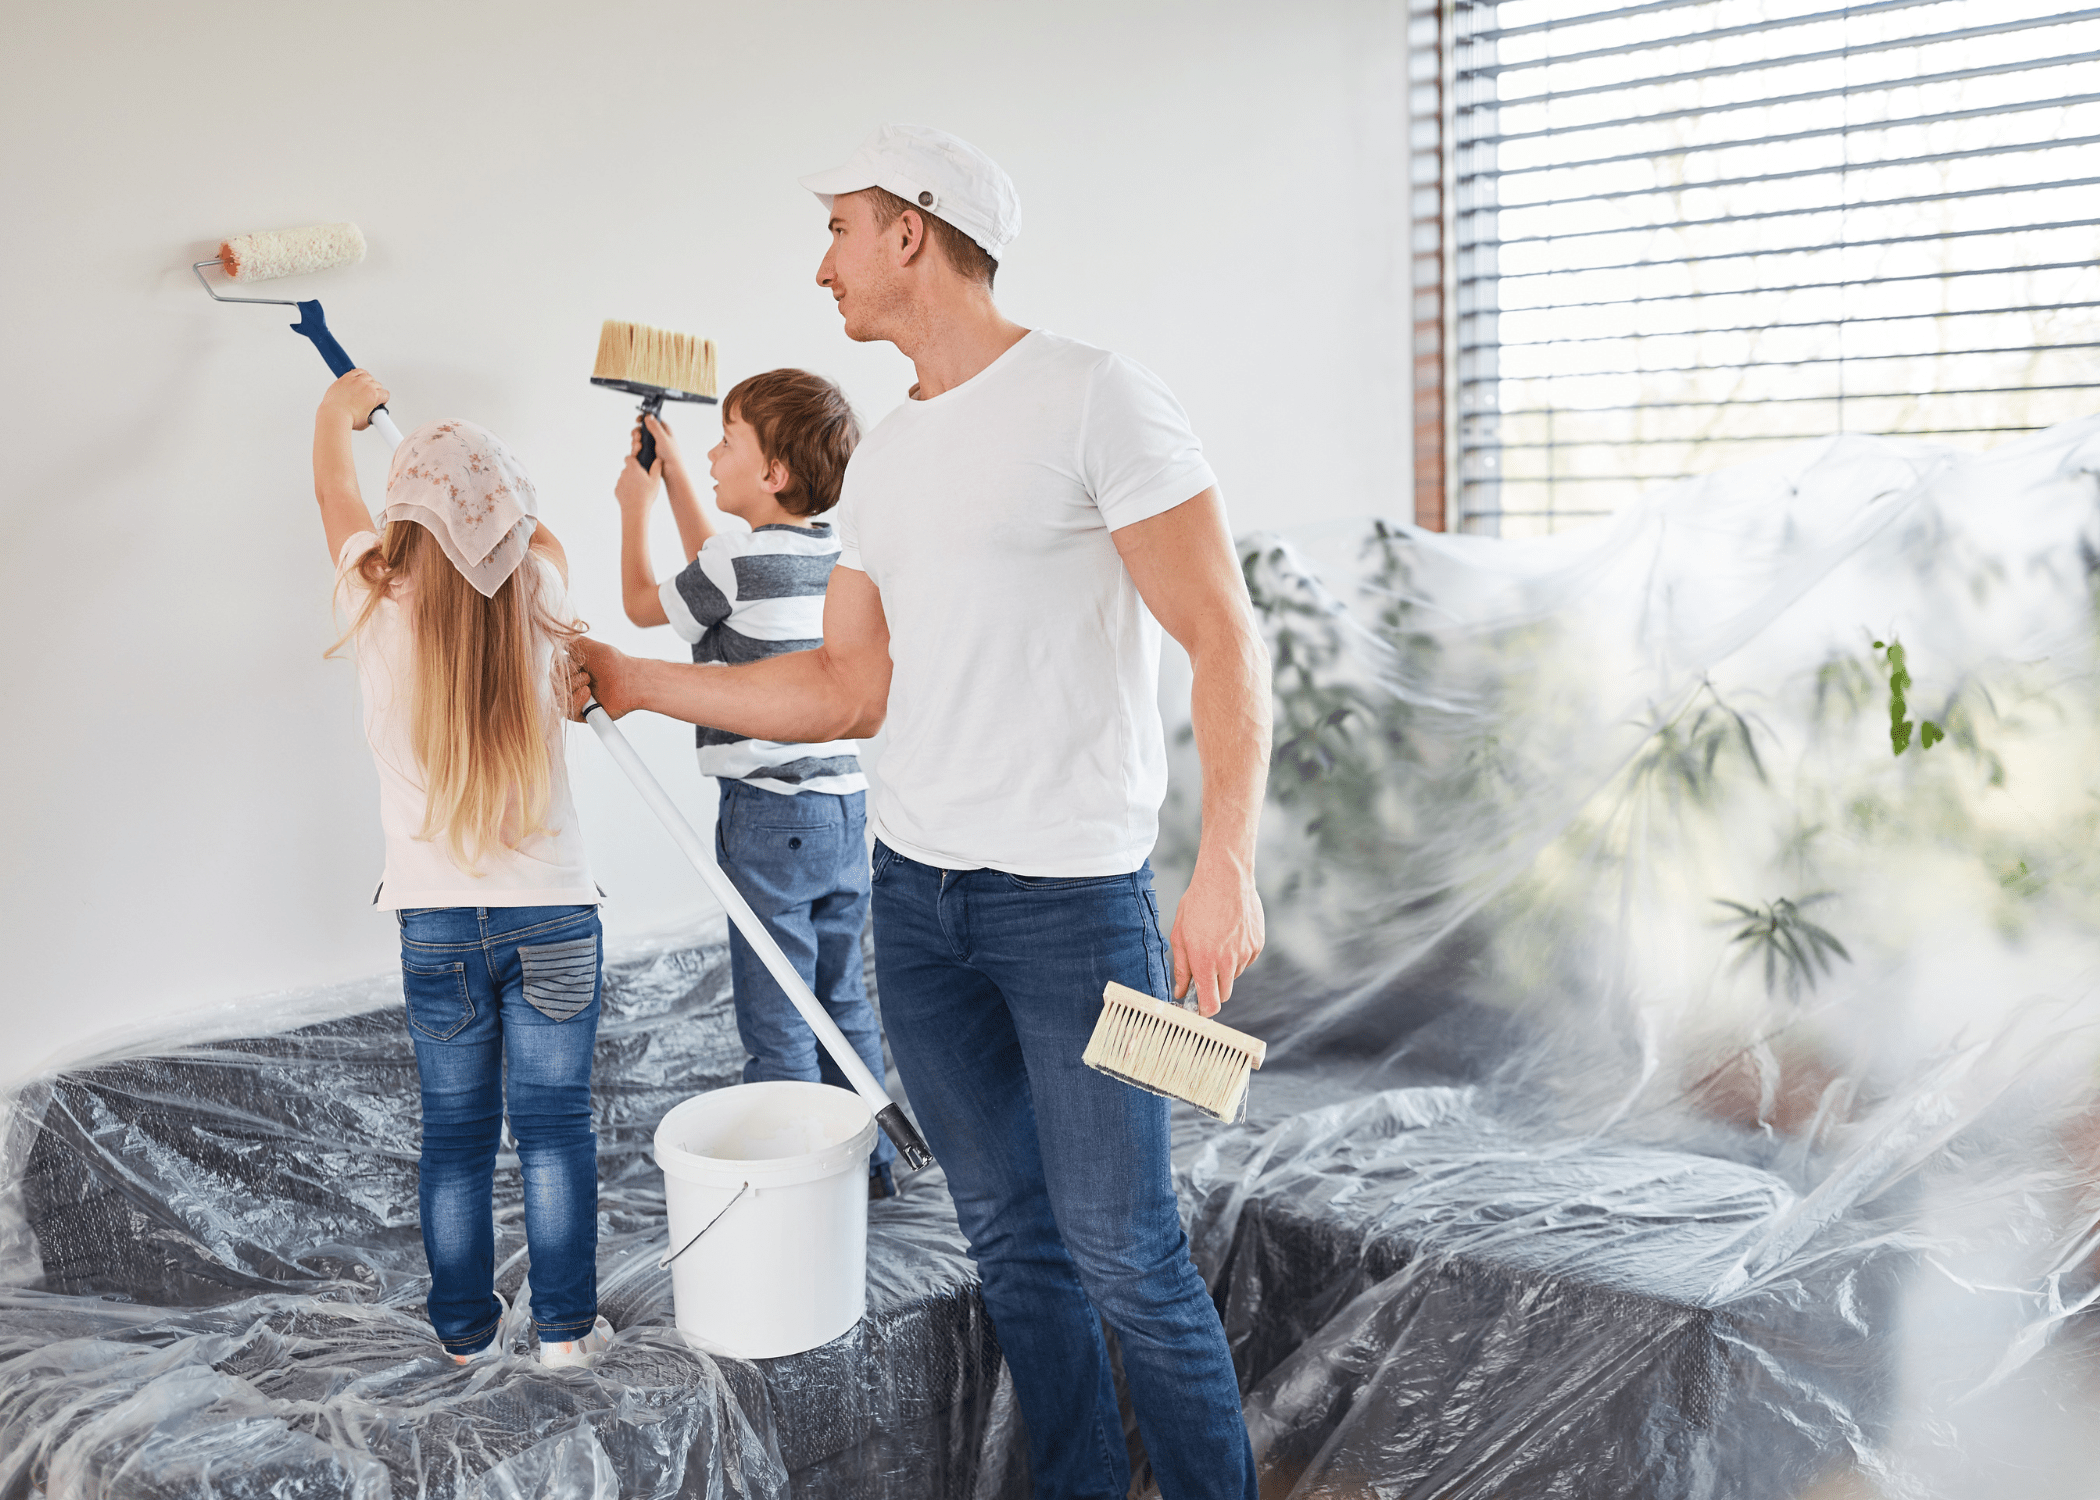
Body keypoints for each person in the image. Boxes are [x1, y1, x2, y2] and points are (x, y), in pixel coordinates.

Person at [575, 125, 1270, 1499]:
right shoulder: (886, 460)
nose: (818, 260)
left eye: (838, 226)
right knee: (1009, 1243)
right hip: (918, 900)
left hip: (1075, 907)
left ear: (913, 230)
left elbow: (1222, 637)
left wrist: (1225, 860)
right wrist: (632, 678)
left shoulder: (1096, 398)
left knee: (1126, 1250)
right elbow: (845, 689)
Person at [315, 370, 614, 1369]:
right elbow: (535, 537)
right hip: (554, 917)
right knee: (555, 1131)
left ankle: (462, 1336)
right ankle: (566, 1333)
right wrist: (494, 496)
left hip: (438, 922)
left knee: (455, 1137)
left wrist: (333, 417)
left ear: (403, 529)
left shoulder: (371, 599)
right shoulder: (547, 591)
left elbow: (336, 501)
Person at [608, 369, 896, 1196]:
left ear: (771, 475)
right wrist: (677, 485)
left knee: (778, 1020)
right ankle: (872, 1168)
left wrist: (634, 506)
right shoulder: (831, 554)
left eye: (726, 442)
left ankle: (802, 1186)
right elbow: (722, 572)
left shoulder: (733, 561)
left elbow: (639, 604)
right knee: (842, 1001)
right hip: (843, 809)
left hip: (767, 818)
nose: (709, 451)